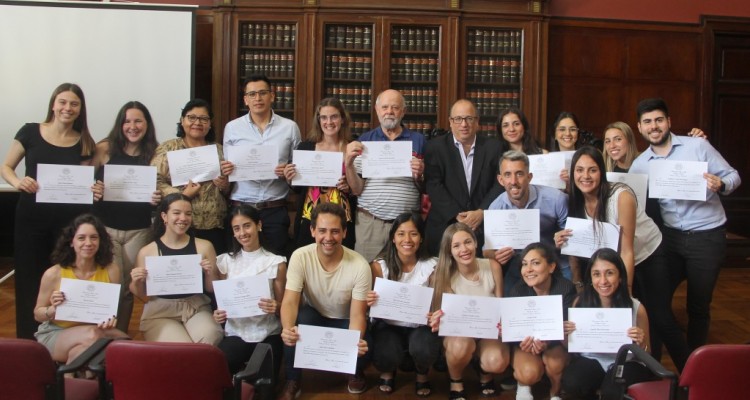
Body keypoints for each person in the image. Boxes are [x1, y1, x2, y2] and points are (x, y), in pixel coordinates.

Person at [558, 146, 690, 370]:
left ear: (602, 172)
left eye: (592, 170)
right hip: (613, 265)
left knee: (659, 316)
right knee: (637, 326)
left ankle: (689, 374)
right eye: (579, 170)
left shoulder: (621, 196)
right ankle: (647, 370)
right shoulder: (575, 199)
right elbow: (578, 249)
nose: (585, 176)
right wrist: (579, 282)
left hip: (646, 256)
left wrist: (625, 294)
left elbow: (627, 250)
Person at [629, 98, 741, 351]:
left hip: (707, 236)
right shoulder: (639, 166)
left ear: (669, 122)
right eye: (647, 122)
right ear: (640, 127)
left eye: (659, 120)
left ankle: (694, 361)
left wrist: (720, 185)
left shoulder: (698, 146)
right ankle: (655, 357)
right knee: (657, 301)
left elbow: (733, 175)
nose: (654, 126)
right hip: (669, 239)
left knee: (698, 306)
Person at [2, 83, 99, 339]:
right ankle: (28, 341)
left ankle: (59, 338)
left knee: (64, 280)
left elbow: (87, 183)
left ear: (80, 110)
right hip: (31, 220)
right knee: (29, 279)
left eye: (74, 104)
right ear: (53, 104)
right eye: (63, 102)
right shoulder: (30, 132)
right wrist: (17, 182)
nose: (68, 108)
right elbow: (7, 167)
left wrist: (94, 187)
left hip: (68, 225)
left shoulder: (85, 142)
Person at [278, 203, 372, 399]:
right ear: (312, 231)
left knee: (366, 344)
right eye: (322, 231)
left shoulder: (360, 265)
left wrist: (354, 340)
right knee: (293, 325)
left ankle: (354, 371)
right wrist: (287, 329)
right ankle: (293, 379)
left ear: (345, 233)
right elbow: (290, 301)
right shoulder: (300, 256)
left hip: (346, 320)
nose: (328, 238)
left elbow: (357, 314)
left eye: (335, 231)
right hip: (315, 315)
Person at [93, 101, 161, 332]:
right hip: (107, 227)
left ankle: (119, 337)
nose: (132, 126)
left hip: (139, 230)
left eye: (138, 121)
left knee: (130, 287)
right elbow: (83, 183)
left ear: (147, 124)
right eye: (127, 121)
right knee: (111, 284)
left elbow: (164, 187)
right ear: (120, 124)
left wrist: (157, 198)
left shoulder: (155, 153)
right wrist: (94, 189)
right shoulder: (104, 149)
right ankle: (101, 336)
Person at [222, 74, 302, 256]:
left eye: (262, 93)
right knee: (240, 264)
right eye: (252, 94)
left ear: (272, 96)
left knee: (276, 263)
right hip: (241, 207)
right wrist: (226, 171)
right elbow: (227, 170)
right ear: (245, 99)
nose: (257, 98)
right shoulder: (232, 128)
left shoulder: (289, 127)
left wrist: (288, 174)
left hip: (275, 209)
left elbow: (298, 171)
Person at [34, 214, 129, 364]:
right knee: (118, 344)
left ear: (100, 241)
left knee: (81, 353)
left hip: (95, 332)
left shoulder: (112, 270)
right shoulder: (54, 273)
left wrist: (109, 320)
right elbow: (38, 315)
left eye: (94, 237)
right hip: (57, 333)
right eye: (81, 238)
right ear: (71, 242)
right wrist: (52, 310)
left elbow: (109, 310)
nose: (88, 243)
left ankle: (70, 379)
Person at [129, 193, 223, 344]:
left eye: (188, 214)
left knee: (210, 337)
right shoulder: (147, 251)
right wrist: (136, 281)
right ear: (164, 216)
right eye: (177, 213)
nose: (183, 218)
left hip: (195, 306)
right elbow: (142, 295)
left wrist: (209, 272)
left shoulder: (204, 246)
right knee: (180, 347)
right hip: (160, 311)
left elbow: (211, 289)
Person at [344, 89, 426, 261]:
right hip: (371, 223)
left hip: (406, 225)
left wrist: (419, 175)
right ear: (377, 110)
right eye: (385, 107)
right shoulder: (365, 140)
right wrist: (349, 164)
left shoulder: (419, 141)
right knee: (368, 275)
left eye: (395, 107)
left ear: (403, 111)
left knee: (404, 275)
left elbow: (425, 188)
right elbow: (357, 189)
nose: (389, 111)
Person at [428, 223, 507, 400]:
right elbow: (440, 316)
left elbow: (500, 303)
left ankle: (483, 368)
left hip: (487, 332)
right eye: (456, 246)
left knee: (497, 362)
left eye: (468, 242)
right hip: (459, 335)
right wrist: (435, 319)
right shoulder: (441, 275)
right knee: (461, 345)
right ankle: (455, 380)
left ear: (476, 243)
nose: (464, 249)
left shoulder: (493, 266)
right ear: (449, 250)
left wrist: (503, 323)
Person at [561, 248, 652, 400]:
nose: (603, 281)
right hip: (591, 359)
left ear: (620, 276)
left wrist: (641, 344)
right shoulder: (580, 302)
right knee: (573, 382)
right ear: (590, 277)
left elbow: (647, 355)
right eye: (596, 274)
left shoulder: (637, 308)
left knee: (613, 391)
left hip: (626, 363)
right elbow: (570, 348)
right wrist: (565, 335)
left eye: (609, 273)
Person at [366, 213, 438, 396]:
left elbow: (437, 304)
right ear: (392, 238)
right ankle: (388, 371)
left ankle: (422, 374)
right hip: (387, 324)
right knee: (384, 352)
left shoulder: (432, 266)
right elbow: (368, 305)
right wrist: (370, 301)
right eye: (401, 234)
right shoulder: (378, 266)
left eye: (413, 234)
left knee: (424, 348)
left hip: (420, 325)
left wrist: (434, 313)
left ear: (421, 238)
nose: (407, 239)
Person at [212, 205, 286, 380]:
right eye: (236, 228)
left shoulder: (275, 262)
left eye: (247, 225)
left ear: (258, 225)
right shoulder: (225, 261)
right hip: (236, 332)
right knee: (219, 371)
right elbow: (222, 304)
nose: (242, 233)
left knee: (265, 381)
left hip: (268, 332)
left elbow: (284, 307)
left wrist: (276, 306)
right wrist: (218, 315)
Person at [483, 151, 571, 294]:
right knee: (508, 303)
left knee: (569, 296)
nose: (513, 181)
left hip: (556, 261)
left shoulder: (556, 199)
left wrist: (562, 239)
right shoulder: (496, 207)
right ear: (500, 180)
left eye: (519, 174)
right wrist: (495, 255)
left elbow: (572, 241)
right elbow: (486, 250)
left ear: (529, 177)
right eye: (507, 175)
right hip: (520, 265)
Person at [424, 99, 502, 256]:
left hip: (484, 227)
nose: (464, 124)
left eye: (469, 118)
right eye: (458, 119)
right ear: (450, 122)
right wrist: (456, 214)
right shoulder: (435, 147)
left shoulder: (494, 148)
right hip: (445, 224)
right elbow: (433, 185)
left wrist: (482, 212)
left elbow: (499, 184)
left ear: (477, 122)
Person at [151, 98, 230, 254]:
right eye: (192, 117)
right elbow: (155, 180)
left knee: (211, 271)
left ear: (210, 123)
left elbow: (228, 189)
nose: (197, 123)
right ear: (182, 120)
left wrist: (224, 185)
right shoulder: (169, 148)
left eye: (203, 119)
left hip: (214, 225)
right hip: (180, 224)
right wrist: (181, 195)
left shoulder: (218, 149)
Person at [507, 242, 576, 400]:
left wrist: (546, 343)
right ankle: (523, 384)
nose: (528, 269)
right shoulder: (517, 291)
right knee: (528, 373)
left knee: (555, 364)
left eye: (535, 263)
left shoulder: (566, 289)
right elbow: (514, 330)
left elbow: (563, 328)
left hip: (555, 343)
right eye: (524, 264)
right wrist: (522, 342)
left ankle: (556, 392)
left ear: (551, 267)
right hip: (526, 344)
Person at [284, 97, 354, 249]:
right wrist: (289, 178)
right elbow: (297, 188)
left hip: (342, 219)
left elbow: (360, 187)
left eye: (334, 116)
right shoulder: (305, 147)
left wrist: (348, 187)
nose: (329, 122)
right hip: (310, 217)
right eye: (324, 117)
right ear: (318, 120)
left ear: (342, 119)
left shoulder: (352, 147)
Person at [603, 121, 706, 173]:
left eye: (618, 139)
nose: (612, 145)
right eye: (607, 141)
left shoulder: (648, 161)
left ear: (629, 140)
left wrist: (695, 140)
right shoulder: (603, 170)